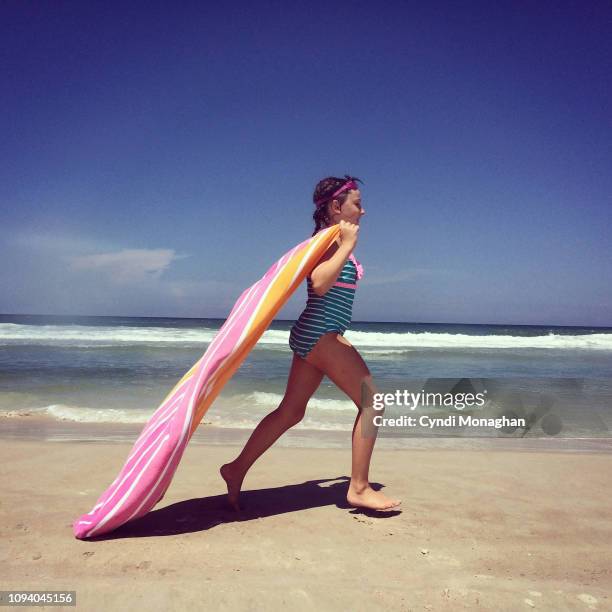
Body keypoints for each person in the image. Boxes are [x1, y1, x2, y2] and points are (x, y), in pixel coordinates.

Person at [220, 175, 401, 512]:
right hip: (319, 334)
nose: (364, 211)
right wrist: (346, 246)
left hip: (316, 333)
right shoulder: (329, 241)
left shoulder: (332, 239)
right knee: (372, 403)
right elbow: (318, 284)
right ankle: (359, 488)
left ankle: (235, 468)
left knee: (291, 411)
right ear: (336, 206)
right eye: (357, 204)